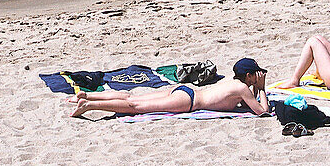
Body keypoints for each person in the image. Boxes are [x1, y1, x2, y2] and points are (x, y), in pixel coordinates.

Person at [67, 57, 271, 117]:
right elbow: (262, 111)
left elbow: (248, 103)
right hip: (188, 102)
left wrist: (256, 88)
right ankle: (90, 106)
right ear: (249, 76)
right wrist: (261, 88)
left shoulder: (233, 83)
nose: (258, 77)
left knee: (132, 98)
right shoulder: (244, 89)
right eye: (256, 75)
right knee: (135, 108)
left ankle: (88, 97)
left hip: (185, 91)